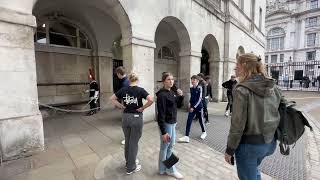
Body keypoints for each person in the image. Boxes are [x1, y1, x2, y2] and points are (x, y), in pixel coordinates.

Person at [224, 53, 284, 180]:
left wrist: (230, 149)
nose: (235, 68)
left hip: (249, 147)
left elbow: (237, 124)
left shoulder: (241, 90)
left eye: (237, 65)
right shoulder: (273, 87)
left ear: (245, 66)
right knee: (254, 171)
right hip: (270, 143)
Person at [110, 72, 153, 175]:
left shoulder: (123, 89)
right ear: (137, 80)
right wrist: (143, 108)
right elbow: (151, 100)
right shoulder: (140, 90)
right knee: (133, 143)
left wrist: (121, 106)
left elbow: (112, 99)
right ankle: (131, 167)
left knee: (128, 141)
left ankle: (128, 162)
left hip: (125, 117)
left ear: (129, 80)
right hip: (136, 117)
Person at [156, 72, 184, 179]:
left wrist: (181, 96)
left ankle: (162, 169)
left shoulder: (172, 92)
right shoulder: (162, 95)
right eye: (168, 79)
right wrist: (163, 132)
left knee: (168, 146)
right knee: (167, 146)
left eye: (172, 79)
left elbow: (179, 105)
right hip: (167, 124)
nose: (171, 81)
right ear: (164, 81)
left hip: (173, 123)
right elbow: (160, 115)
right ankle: (171, 170)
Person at [179, 75, 207, 143]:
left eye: (194, 80)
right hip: (192, 108)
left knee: (201, 120)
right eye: (192, 80)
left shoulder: (199, 88)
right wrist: (189, 103)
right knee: (189, 120)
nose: (192, 81)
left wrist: (193, 107)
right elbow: (192, 97)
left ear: (197, 81)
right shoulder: (191, 88)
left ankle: (204, 132)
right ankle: (186, 136)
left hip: (199, 107)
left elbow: (199, 99)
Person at [115, 66, 130, 145]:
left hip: (127, 105)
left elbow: (123, 96)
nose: (116, 75)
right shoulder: (128, 80)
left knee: (125, 124)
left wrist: (122, 105)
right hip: (131, 105)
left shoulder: (124, 83)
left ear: (118, 73)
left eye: (116, 74)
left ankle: (127, 139)